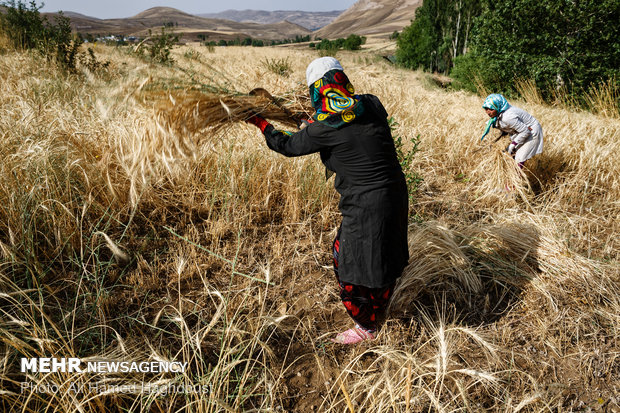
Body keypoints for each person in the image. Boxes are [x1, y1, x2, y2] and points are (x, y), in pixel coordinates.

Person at [246, 57, 409, 344]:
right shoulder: (371, 103)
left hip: (365, 203)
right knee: (384, 254)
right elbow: (345, 127)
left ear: (316, 91)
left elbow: (287, 145)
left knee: (348, 262)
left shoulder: (323, 127)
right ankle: (380, 308)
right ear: (341, 80)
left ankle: (367, 328)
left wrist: (261, 122)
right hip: (395, 193)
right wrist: (311, 123)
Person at [480, 93, 543, 168]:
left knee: (520, 158)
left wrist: (513, 144)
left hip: (532, 131)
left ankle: (517, 177)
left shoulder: (507, 116)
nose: (488, 112)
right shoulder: (499, 114)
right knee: (510, 156)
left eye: (491, 109)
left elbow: (525, 131)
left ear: (498, 107)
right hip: (520, 131)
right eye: (486, 109)